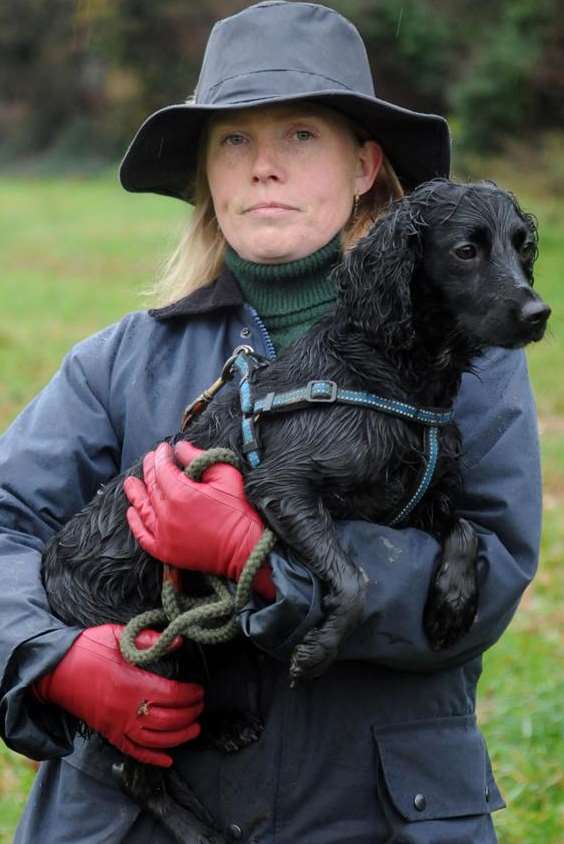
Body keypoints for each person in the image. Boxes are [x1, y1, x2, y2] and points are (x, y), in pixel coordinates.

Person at [0, 2, 541, 842]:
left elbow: (492, 571)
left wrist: (257, 559)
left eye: (299, 137)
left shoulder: (466, 354)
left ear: (364, 166)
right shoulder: (118, 363)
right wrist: (56, 660)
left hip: (374, 814)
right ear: (207, 178)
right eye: (234, 141)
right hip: (136, 814)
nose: (263, 169)